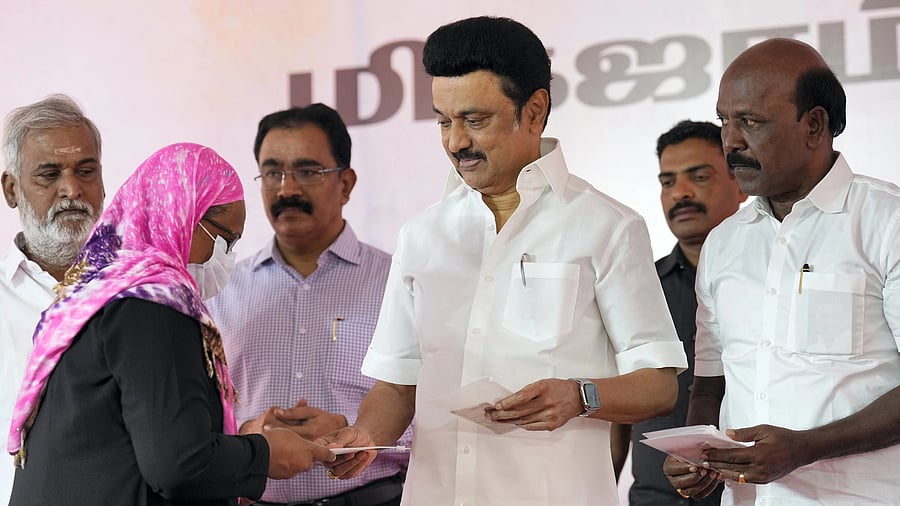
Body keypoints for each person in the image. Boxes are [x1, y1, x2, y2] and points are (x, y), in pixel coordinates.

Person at [320, 16, 688, 505]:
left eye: (475, 120)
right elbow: (398, 384)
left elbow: (659, 385)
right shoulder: (421, 235)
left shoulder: (607, 226)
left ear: (534, 112)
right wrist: (364, 435)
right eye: (443, 121)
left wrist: (581, 396)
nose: (455, 143)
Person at [7, 142, 335, 505]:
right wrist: (265, 455)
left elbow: (123, 435)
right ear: (180, 216)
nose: (227, 257)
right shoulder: (152, 304)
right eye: (224, 239)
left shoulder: (96, 293)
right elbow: (179, 464)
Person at [663, 38, 900, 505]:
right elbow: (711, 381)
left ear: (814, 124)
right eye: (724, 121)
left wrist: (806, 447)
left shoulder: (886, 222)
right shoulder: (724, 242)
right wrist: (696, 449)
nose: (730, 141)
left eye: (750, 122)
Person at [208, 103, 409, 506]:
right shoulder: (219, 290)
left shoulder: (398, 282)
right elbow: (191, 416)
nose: (287, 190)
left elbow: (438, 414)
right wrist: (245, 432)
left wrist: (358, 430)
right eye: (272, 173)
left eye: (308, 171)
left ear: (347, 184)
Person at [610, 120, 745, 505]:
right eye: (667, 182)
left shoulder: (775, 283)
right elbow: (617, 412)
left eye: (698, 177)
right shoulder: (638, 288)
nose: (680, 194)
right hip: (654, 498)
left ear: (740, 183)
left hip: (748, 494)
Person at [0, 94, 106, 504]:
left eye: (86, 171)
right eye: (49, 174)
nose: (71, 190)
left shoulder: (141, 293)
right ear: (11, 189)